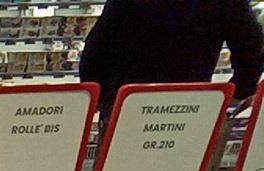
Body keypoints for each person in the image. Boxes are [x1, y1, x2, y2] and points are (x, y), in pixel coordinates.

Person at [79, 0, 264, 123]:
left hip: (129, 102)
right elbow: (252, 44)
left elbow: (99, 46)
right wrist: (241, 89)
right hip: (191, 103)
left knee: (119, 166)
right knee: (185, 166)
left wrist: (97, 94)